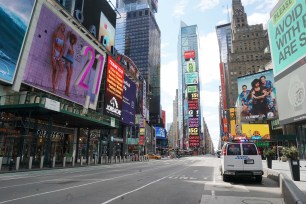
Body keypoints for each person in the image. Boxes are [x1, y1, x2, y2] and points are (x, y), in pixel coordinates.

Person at [51, 23, 66, 93]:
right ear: (60, 26)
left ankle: (56, 84)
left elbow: (64, 48)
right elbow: (53, 43)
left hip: (59, 54)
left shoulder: (64, 36)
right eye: (63, 27)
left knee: (62, 69)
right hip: (54, 52)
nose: (64, 28)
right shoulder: (55, 33)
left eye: (65, 28)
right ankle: (53, 86)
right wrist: (53, 51)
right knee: (54, 69)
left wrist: (60, 55)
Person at [63, 31, 78, 96]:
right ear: (70, 38)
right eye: (72, 39)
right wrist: (68, 35)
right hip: (67, 60)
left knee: (70, 77)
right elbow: (65, 44)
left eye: (74, 39)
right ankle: (67, 91)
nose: (73, 40)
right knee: (68, 75)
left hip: (72, 61)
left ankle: (67, 91)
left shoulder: (73, 46)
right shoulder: (68, 44)